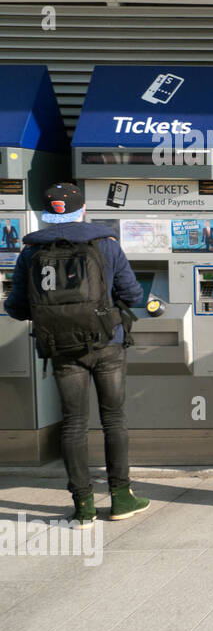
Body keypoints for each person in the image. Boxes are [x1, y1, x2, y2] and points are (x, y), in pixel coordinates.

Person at [3, 182, 147, 527]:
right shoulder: (106, 245)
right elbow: (133, 292)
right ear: (82, 210)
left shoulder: (30, 252)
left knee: (73, 424)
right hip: (107, 342)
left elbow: (17, 307)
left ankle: (83, 505)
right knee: (113, 419)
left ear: (48, 214)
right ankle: (122, 497)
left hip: (62, 348)